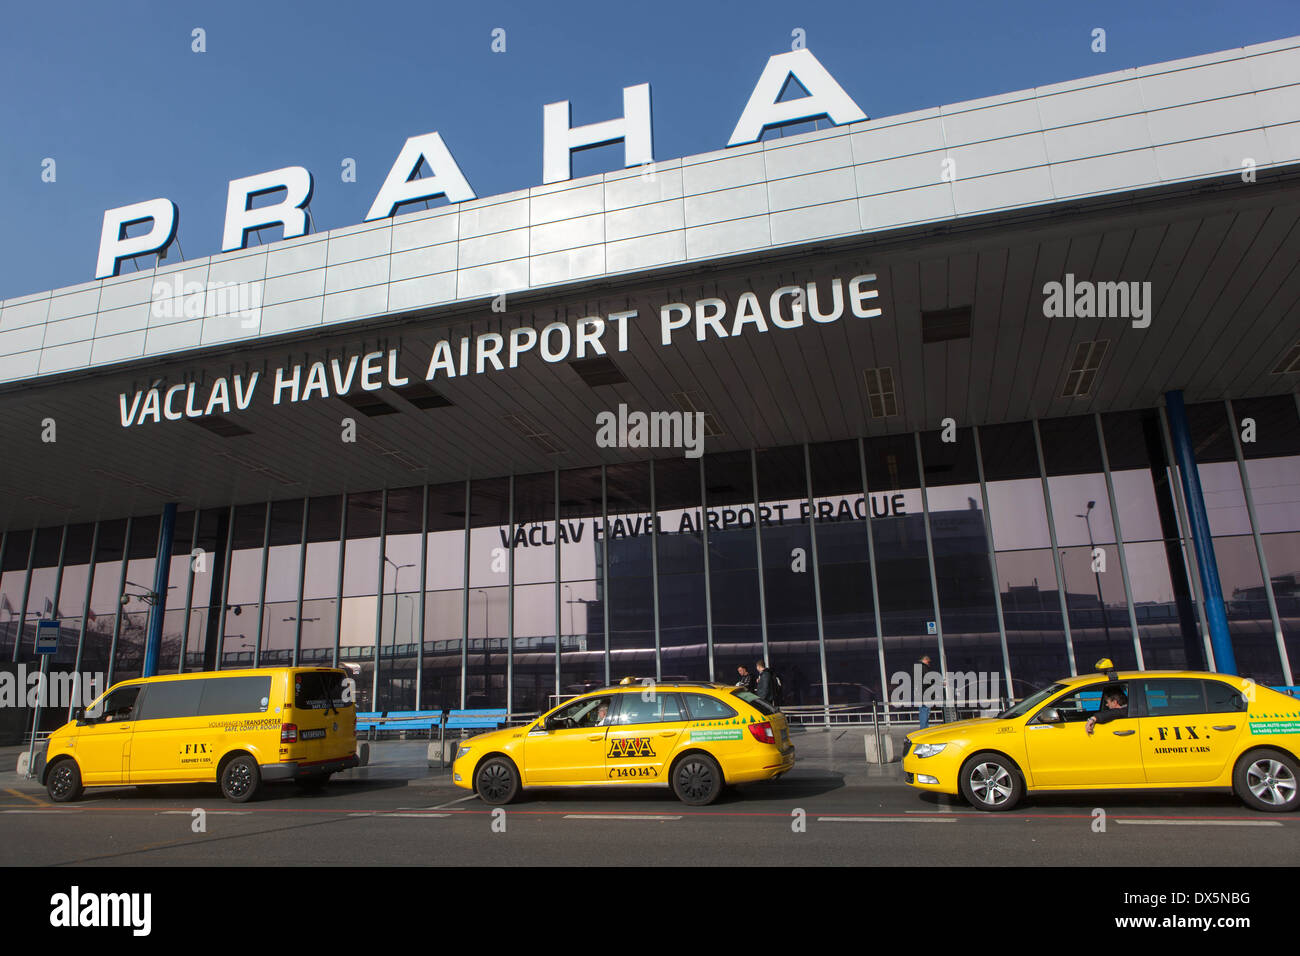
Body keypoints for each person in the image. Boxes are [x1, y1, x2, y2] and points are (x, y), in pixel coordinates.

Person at [917, 654, 935, 729]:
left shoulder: (918, 668)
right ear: (924, 660)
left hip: (921, 694)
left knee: (923, 711)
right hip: (925, 694)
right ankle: (924, 729)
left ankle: (924, 728)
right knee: (925, 712)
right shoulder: (923, 668)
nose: (929, 663)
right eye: (928, 662)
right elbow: (928, 680)